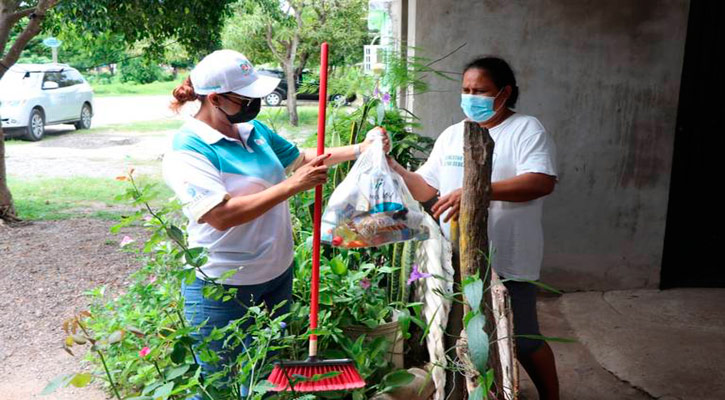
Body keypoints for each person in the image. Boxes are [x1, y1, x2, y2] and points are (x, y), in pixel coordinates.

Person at [162, 49, 388, 398]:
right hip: (223, 286)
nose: (256, 102)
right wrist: (291, 186)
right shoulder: (189, 148)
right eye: (247, 96)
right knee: (219, 385)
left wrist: (363, 148)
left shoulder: (252, 129)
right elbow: (221, 215)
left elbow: (300, 159)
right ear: (215, 98)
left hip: (275, 276)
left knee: (263, 376)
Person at [388, 56, 560, 399]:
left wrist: (477, 191)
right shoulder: (454, 134)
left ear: (504, 93)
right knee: (471, 335)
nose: (470, 97)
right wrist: (394, 167)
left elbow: (541, 181)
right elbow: (427, 187)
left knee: (523, 337)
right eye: (466, 90)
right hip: (458, 255)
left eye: (479, 90)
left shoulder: (525, 129)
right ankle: (490, 390)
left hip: (509, 255)